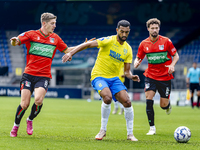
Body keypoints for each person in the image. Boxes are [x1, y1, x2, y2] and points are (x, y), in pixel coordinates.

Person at [9, 12, 92, 137]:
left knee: (38, 100)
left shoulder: (55, 38)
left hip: (44, 76)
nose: (54, 26)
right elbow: (16, 42)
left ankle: (30, 120)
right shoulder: (31, 34)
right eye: (52, 23)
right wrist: (14, 41)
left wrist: (84, 45)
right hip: (28, 74)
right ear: (44, 23)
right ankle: (15, 126)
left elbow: (68, 50)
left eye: (55, 23)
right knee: (24, 104)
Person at [62, 20, 140, 141]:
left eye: (127, 32)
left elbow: (126, 71)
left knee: (127, 102)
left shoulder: (128, 49)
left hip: (114, 79)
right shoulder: (108, 40)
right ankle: (102, 130)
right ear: (117, 30)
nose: (124, 34)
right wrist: (71, 53)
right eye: (122, 31)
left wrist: (131, 76)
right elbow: (87, 44)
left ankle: (130, 134)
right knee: (107, 97)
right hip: (99, 75)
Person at [134, 18, 179, 135]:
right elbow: (138, 57)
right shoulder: (143, 44)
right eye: (152, 28)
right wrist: (136, 62)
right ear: (148, 29)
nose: (154, 30)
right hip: (151, 76)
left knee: (163, 105)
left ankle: (167, 106)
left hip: (165, 77)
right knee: (149, 99)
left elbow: (176, 55)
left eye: (156, 28)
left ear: (159, 28)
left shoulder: (166, 41)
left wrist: (172, 65)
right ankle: (152, 128)